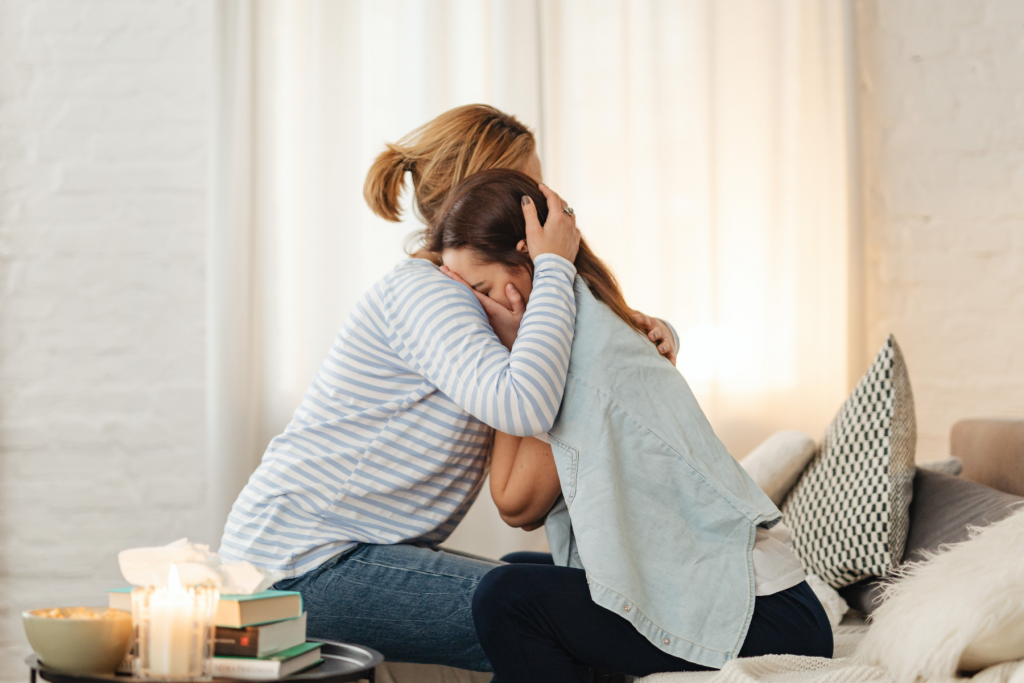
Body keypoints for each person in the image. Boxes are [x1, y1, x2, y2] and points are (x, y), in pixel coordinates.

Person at [218, 104, 675, 672]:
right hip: (297, 565)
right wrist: (555, 266)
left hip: (331, 556)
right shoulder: (427, 293)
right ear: (481, 196)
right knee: (546, 618)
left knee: (540, 595)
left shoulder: (474, 297)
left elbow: (557, 372)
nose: (544, 200)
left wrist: (650, 330)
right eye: (529, 188)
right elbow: (524, 402)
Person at [432, 169, 833, 682]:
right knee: (516, 572)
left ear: (528, 259)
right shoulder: (581, 322)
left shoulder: (579, 350)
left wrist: (509, 354)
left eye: (482, 289)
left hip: (765, 617)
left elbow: (516, 503)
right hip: (746, 603)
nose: (476, 311)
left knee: (505, 598)